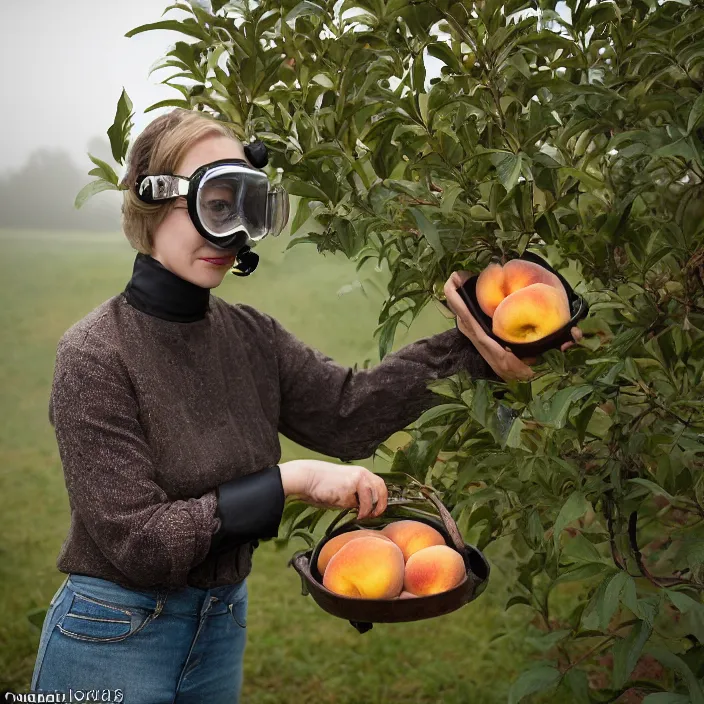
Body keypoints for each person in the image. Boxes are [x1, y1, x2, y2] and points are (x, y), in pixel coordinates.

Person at [29, 108, 582, 703]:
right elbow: (141, 543)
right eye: (218, 205)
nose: (233, 232)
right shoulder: (95, 353)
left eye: (246, 209)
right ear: (152, 202)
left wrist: (481, 334)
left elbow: (349, 413)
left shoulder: (250, 336)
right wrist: (289, 480)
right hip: (113, 632)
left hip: (218, 626)